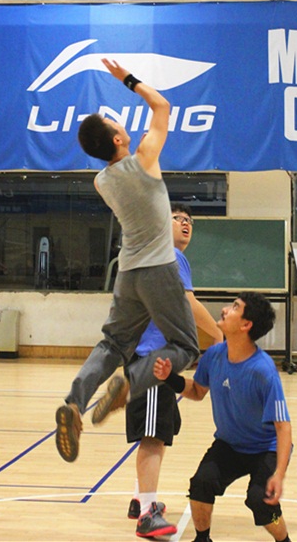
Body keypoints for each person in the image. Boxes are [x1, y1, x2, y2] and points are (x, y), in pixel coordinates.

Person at [55, 59, 200, 473]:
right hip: (158, 269)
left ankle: (74, 403)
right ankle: (131, 382)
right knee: (186, 347)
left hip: (127, 272)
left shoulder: (101, 181)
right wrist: (128, 80)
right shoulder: (143, 160)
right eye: (113, 122)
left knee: (112, 344)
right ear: (118, 137)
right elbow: (162, 106)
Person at [154, 291, 293, 542]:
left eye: (235, 307)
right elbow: (197, 391)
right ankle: (202, 539)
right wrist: (170, 379)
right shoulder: (214, 355)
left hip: (265, 449)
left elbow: (283, 427)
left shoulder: (263, 371)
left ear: (246, 325)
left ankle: (284, 541)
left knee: (261, 502)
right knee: (201, 484)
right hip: (230, 445)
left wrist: (279, 474)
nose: (225, 310)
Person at [125, 202, 223, 538]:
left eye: (189, 220)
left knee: (162, 429)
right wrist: (219, 335)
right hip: (153, 361)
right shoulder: (170, 256)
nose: (185, 223)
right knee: (153, 437)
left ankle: (140, 499)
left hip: (153, 360)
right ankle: (147, 516)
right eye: (177, 218)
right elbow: (188, 303)